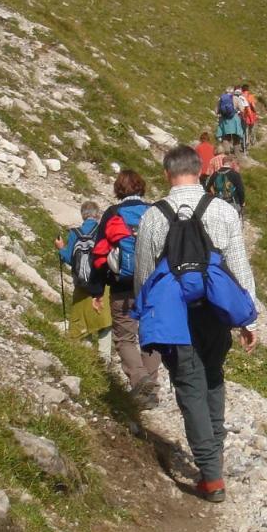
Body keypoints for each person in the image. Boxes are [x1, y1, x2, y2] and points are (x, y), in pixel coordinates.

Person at [135, 146, 259, 503]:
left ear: (166, 174)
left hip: (176, 316)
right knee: (213, 377)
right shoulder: (222, 210)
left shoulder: (153, 217)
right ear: (200, 169)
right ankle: (214, 456)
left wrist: (146, 315)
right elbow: (238, 268)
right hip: (216, 312)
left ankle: (211, 475)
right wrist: (250, 319)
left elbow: (145, 275)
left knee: (190, 385)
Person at [91, 170, 161, 404]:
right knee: (152, 337)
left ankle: (140, 379)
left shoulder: (113, 214)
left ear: (118, 190)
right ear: (142, 187)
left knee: (125, 338)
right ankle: (150, 393)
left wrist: (97, 290)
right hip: (153, 287)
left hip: (122, 286)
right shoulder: (155, 212)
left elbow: (99, 254)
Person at [55, 201, 112, 360]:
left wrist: (60, 247)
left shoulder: (75, 233)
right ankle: (104, 359)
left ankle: (87, 356)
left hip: (81, 286)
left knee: (82, 322)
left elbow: (69, 258)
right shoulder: (102, 231)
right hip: (101, 285)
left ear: (82, 215)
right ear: (98, 214)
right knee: (104, 322)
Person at [216, 87, 245, 153]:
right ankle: (236, 152)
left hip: (224, 120)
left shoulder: (221, 99)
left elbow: (216, 111)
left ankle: (226, 152)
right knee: (236, 136)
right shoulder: (236, 98)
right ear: (233, 92)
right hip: (234, 119)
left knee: (226, 137)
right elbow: (242, 109)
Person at [240, 83, 258, 149]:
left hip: (244, 114)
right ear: (248, 89)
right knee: (252, 128)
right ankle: (251, 141)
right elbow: (253, 105)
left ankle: (245, 141)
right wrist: (256, 111)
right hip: (251, 114)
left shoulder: (241, 97)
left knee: (245, 129)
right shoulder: (250, 96)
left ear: (242, 89)